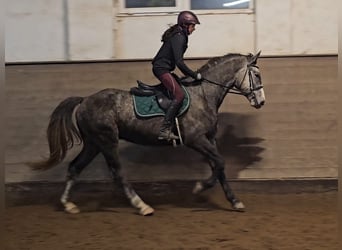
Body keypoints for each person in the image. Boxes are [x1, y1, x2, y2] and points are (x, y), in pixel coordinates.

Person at [152, 10, 202, 141]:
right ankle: (164, 129)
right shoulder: (179, 36)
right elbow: (179, 62)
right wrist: (194, 75)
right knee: (179, 95)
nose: (194, 29)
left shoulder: (179, 35)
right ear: (185, 25)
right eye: (193, 26)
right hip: (161, 69)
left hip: (165, 69)